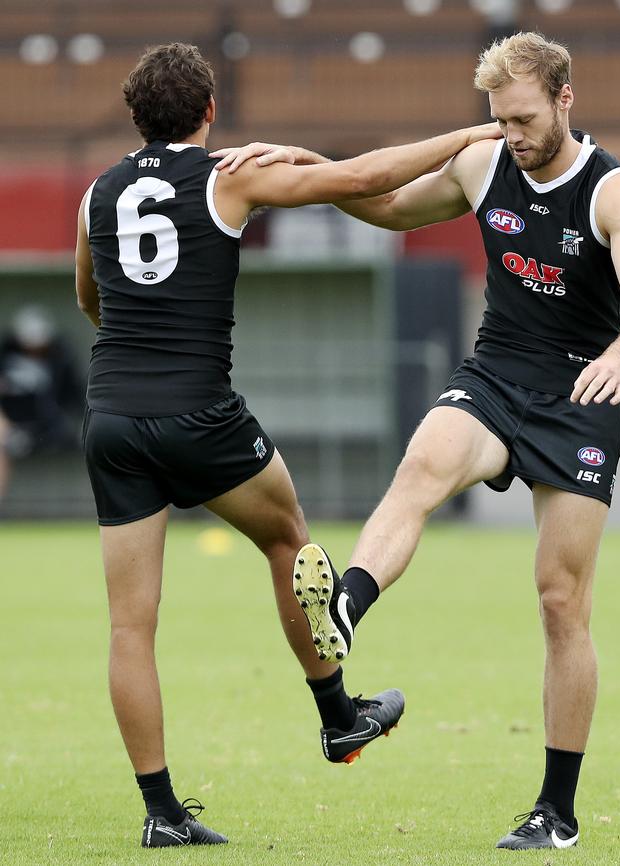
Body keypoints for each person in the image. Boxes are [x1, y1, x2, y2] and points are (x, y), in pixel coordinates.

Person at [216, 31, 620, 851]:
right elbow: (381, 205)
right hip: (494, 376)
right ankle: (346, 603)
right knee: (421, 466)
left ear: (565, 99)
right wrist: (310, 163)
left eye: (524, 118)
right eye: (499, 119)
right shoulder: (484, 163)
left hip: (580, 396)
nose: (512, 135)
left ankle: (555, 812)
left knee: (562, 603)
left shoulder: (613, 193)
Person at [75, 42, 501, 848]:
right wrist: (461, 138)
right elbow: (362, 179)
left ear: (136, 116)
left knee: (130, 628)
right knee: (288, 539)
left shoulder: (97, 194)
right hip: (202, 414)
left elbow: (88, 293)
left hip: (114, 418)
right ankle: (339, 718)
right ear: (208, 113)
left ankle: (163, 816)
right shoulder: (228, 175)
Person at [0, 305, 83, 504]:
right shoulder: (5, 356)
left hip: (47, 427)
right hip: (9, 426)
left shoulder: (60, 359)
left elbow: (73, 395)